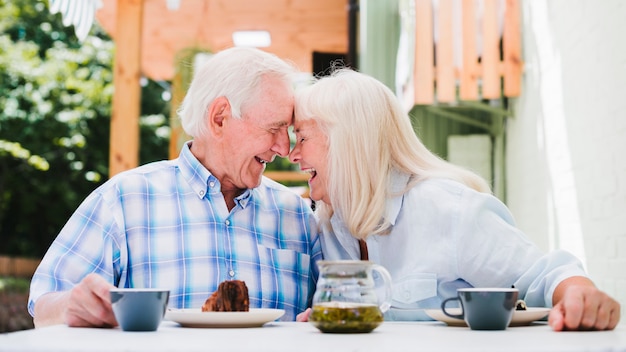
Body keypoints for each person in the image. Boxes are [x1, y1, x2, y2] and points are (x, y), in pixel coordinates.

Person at [289, 68, 620, 331]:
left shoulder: (445, 208)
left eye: (302, 137)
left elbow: (544, 275)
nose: (292, 154)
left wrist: (580, 294)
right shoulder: (329, 226)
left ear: (348, 142)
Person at [28, 47, 322, 327]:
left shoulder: (297, 214)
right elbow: (44, 306)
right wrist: (72, 306)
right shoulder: (124, 200)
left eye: (288, 131)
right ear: (219, 118)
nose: (285, 148)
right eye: (274, 128)